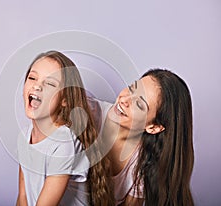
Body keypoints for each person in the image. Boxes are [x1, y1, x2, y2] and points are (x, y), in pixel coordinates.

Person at [16, 51, 114, 206]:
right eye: (32, 78)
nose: (37, 86)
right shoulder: (24, 137)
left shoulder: (63, 143)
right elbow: (23, 198)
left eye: (50, 84)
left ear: (64, 100)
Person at [93, 69, 194, 205]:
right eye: (132, 89)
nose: (124, 100)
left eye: (139, 104)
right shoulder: (88, 113)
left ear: (154, 127)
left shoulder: (144, 162)